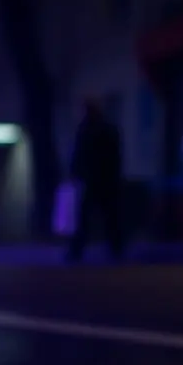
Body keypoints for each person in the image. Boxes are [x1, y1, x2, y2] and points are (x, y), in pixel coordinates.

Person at [66, 98, 125, 262]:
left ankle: (79, 250)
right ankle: (114, 248)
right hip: (101, 181)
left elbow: (80, 155)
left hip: (96, 180)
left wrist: (76, 173)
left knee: (92, 217)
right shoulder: (103, 129)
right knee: (105, 217)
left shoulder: (89, 130)